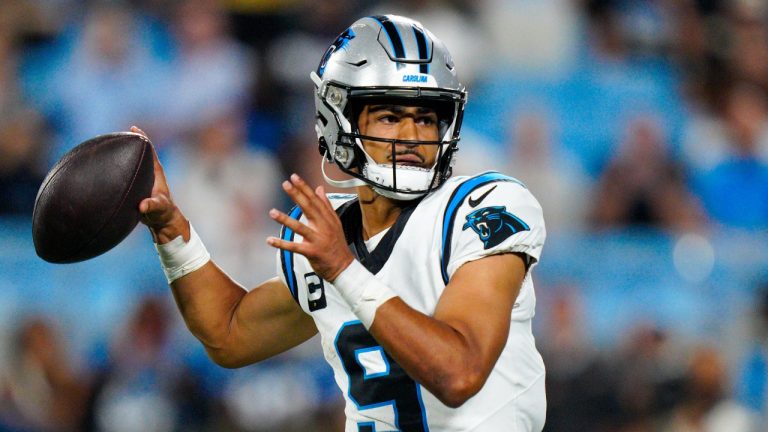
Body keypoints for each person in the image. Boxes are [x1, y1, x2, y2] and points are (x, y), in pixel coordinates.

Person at [136, 15, 547, 431]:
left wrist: (344, 270)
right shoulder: (329, 234)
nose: (411, 134)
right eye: (389, 116)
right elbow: (228, 335)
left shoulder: (482, 208)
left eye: (426, 118)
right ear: (340, 123)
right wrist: (172, 232)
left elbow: (460, 373)